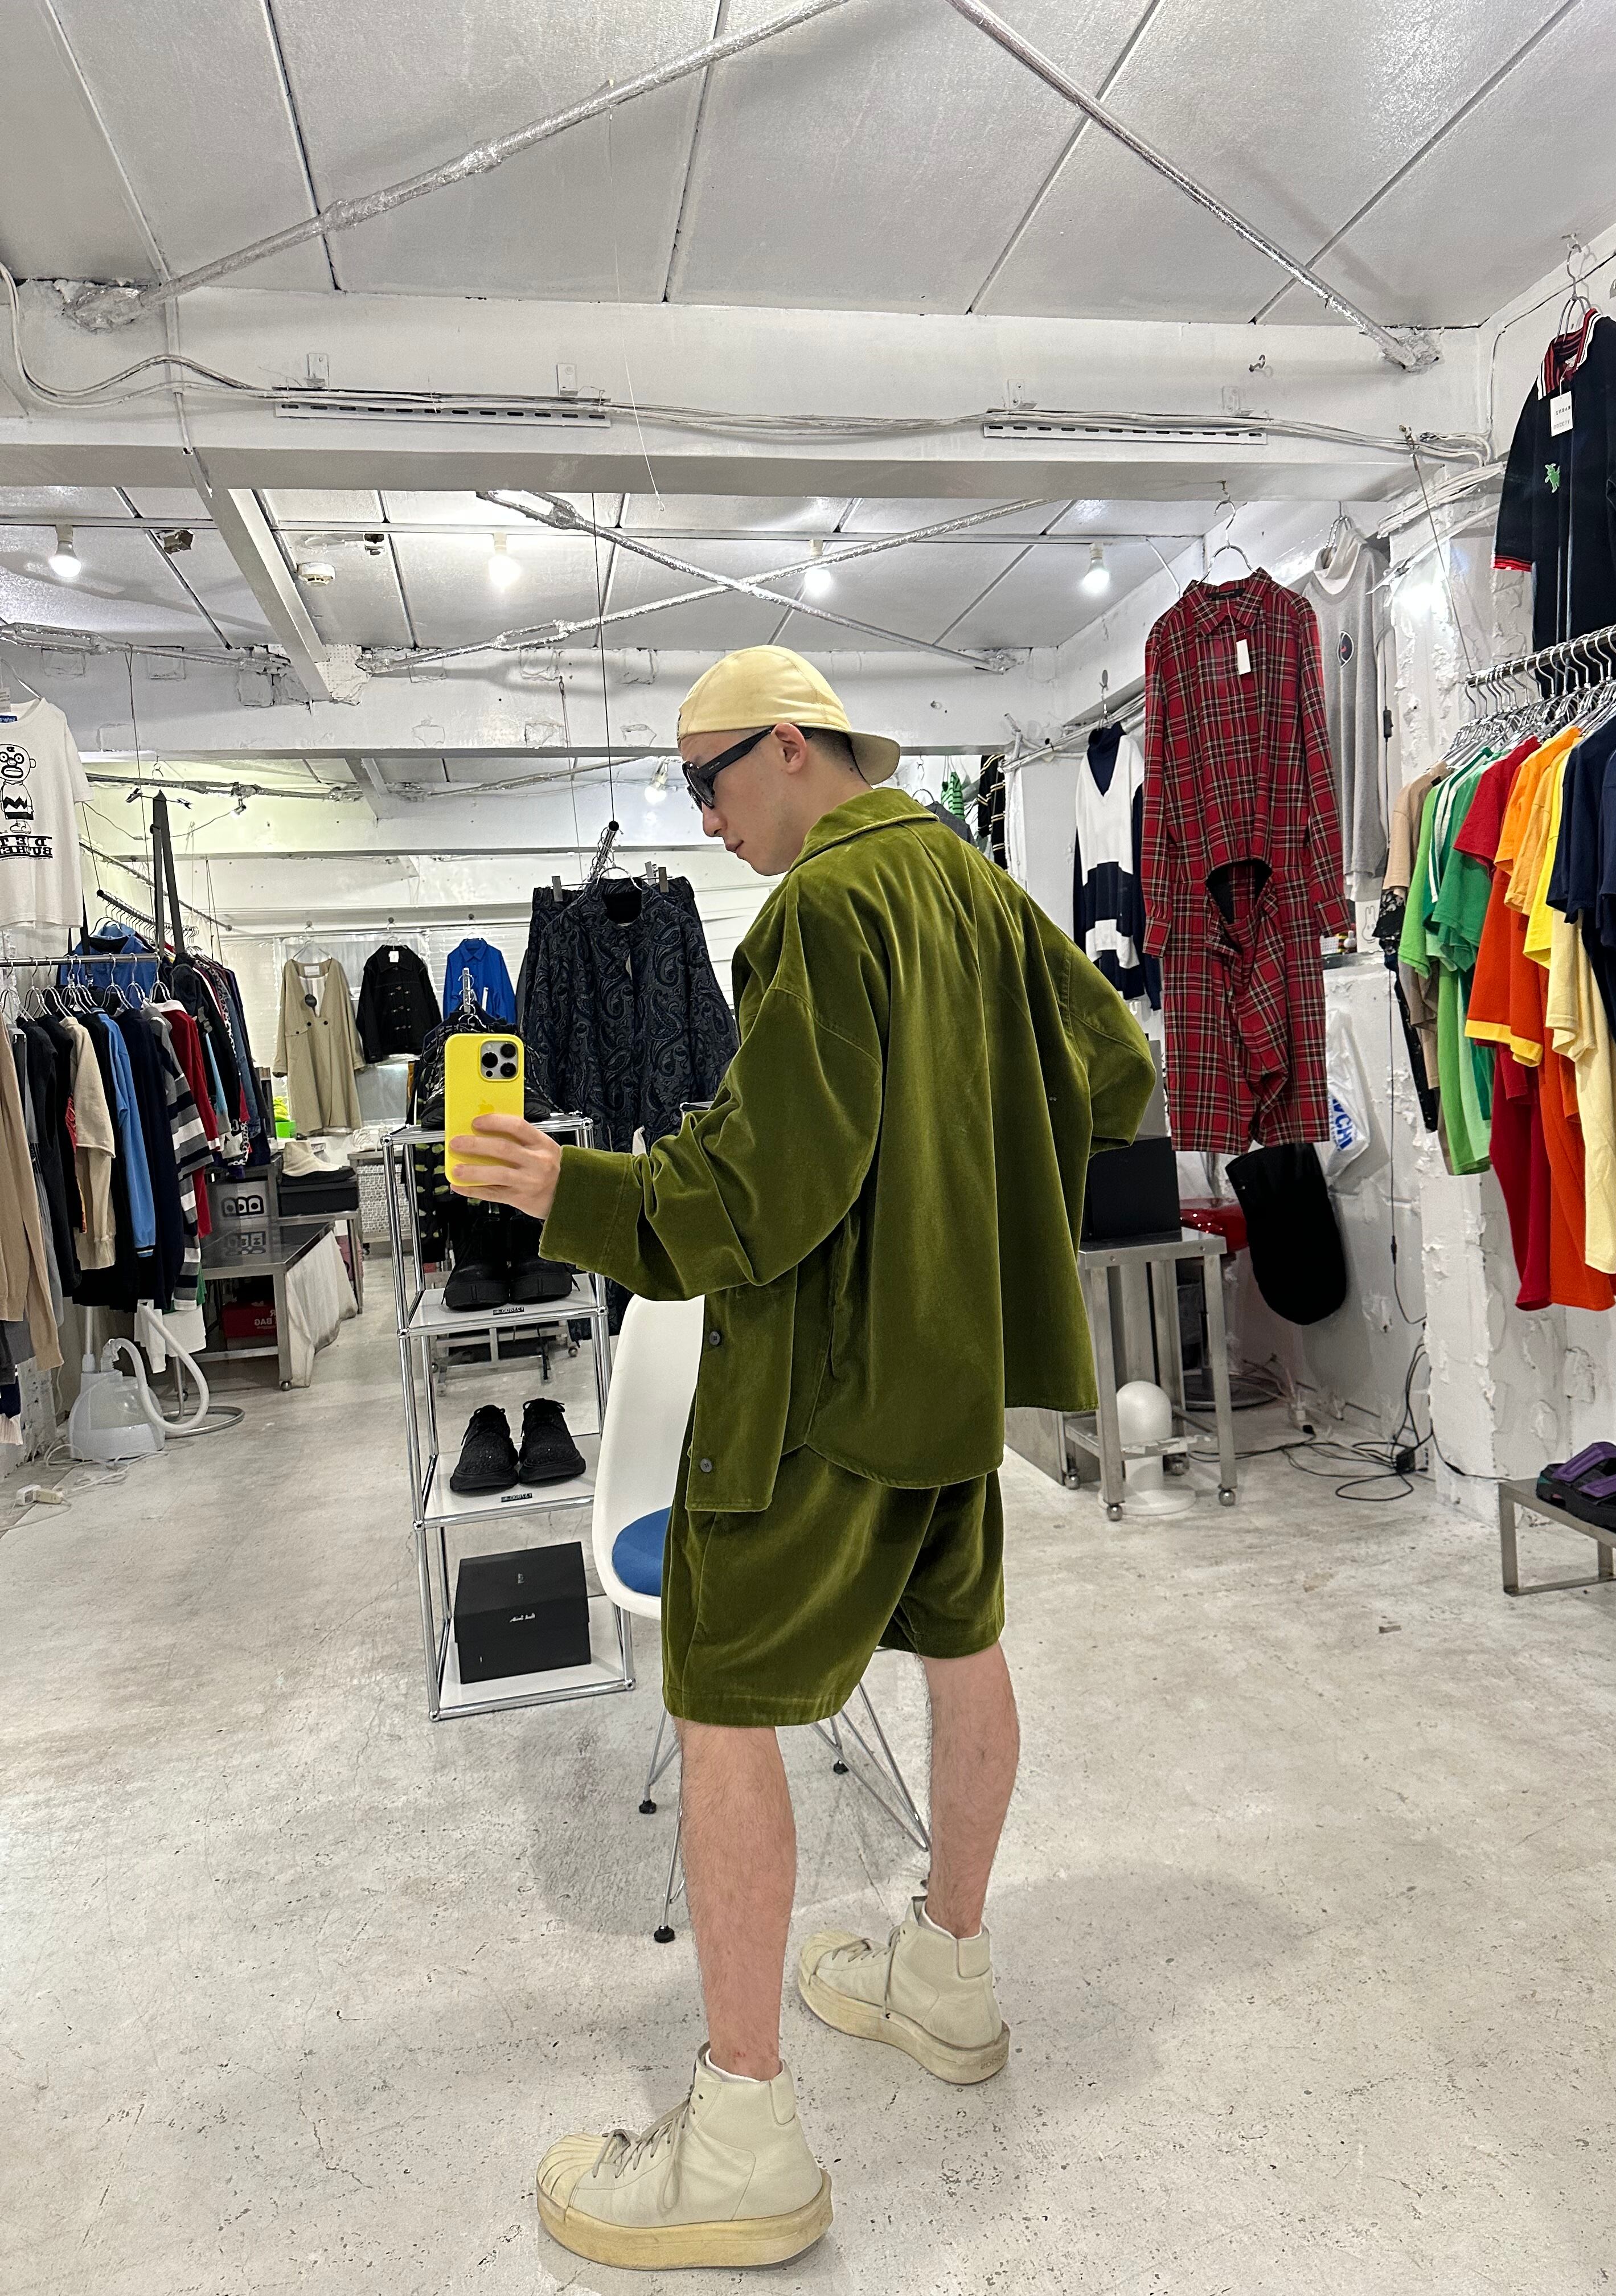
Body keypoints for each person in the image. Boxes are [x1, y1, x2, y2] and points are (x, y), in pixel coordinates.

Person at [450, 646, 1156, 2272]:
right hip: (952, 1378)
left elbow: (754, 1196)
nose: (701, 821)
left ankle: (744, 2144)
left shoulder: (823, 912)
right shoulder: (971, 885)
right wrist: (966, 1211)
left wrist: (569, 1190)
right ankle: (949, 1977)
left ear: (786, 748)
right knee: (963, 1651)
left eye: (704, 782)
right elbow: (1116, 1072)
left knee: (721, 1706)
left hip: (821, 1397)